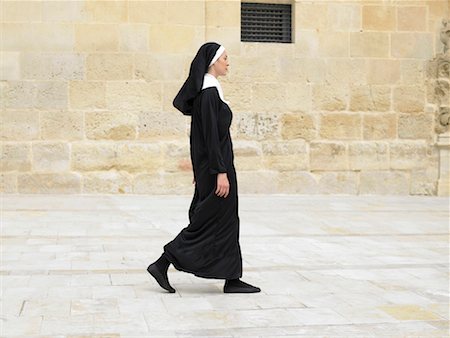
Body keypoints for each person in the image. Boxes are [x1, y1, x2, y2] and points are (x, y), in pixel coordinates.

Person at [147, 42, 261, 294]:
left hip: (214, 168)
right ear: (213, 62)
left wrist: (204, 170)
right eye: (225, 58)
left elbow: (200, 138)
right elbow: (208, 137)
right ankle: (162, 262)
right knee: (206, 222)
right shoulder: (208, 93)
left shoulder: (210, 91)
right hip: (218, 170)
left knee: (227, 221)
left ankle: (231, 277)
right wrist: (219, 172)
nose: (228, 63)